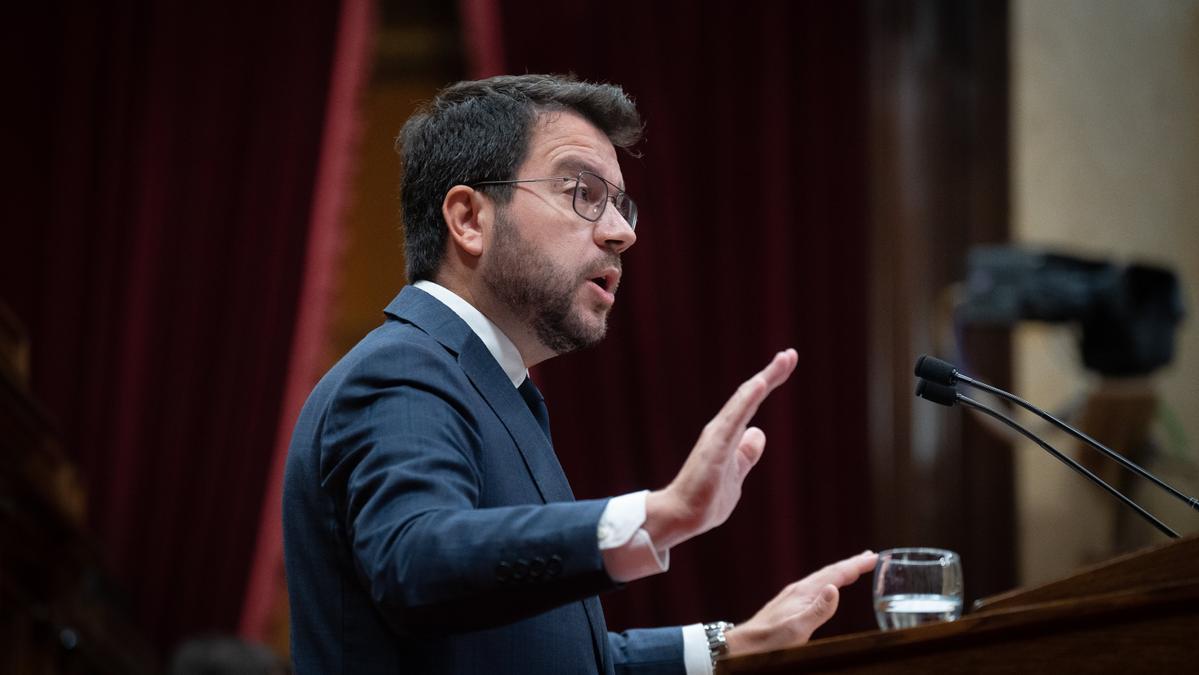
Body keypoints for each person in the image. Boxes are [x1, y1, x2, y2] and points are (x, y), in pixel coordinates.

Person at [282, 74, 876, 675]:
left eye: (621, 204)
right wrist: (658, 515)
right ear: (468, 218)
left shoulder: (494, 386)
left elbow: (548, 657)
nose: (623, 231)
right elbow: (419, 563)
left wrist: (732, 644)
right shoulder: (403, 370)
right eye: (584, 193)